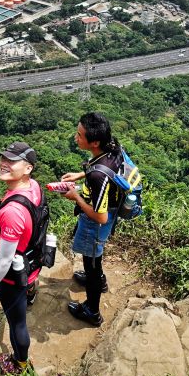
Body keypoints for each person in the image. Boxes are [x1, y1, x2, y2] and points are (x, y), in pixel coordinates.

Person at [0, 141, 43, 374]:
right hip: (32, 262)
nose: (3, 164)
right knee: (21, 306)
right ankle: (30, 290)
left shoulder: (11, 211)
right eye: (3, 158)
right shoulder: (34, 187)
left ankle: (20, 364)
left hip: (13, 276)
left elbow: (4, 260)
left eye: (11, 161)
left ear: (27, 168)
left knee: (17, 323)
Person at [59, 111, 122, 327]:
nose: (75, 138)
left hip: (97, 223)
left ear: (94, 142)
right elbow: (102, 169)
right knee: (93, 261)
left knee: (91, 264)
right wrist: (80, 175)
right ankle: (99, 280)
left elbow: (101, 217)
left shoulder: (98, 176)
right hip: (112, 207)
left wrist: (75, 196)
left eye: (79, 135)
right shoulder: (112, 147)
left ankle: (92, 311)